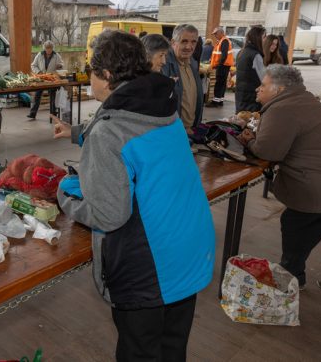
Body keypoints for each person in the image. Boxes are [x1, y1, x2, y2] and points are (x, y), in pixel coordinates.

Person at [53, 30, 214, 362]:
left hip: (151, 267)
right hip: (189, 248)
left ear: (106, 75)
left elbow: (109, 214)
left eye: (91, 71)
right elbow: (137, 149)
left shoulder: (109, 131)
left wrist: (65, 194)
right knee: (172, 349)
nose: (89, 79)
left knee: (140, 352)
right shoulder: (163, 107)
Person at [237, 65, 321, 291]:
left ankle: (292, 279)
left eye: (263, 85)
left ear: (279, 89)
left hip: (315, 188)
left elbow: (268, 151)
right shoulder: (306, 101)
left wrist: (249, 140)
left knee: (295, 226)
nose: (258, 89)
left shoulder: (282, 109)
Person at [161, 24, 204, 133]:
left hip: (191, 130)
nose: (189, 47)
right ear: (173, 42)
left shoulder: (192, 63)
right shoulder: (163, 65)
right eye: (184, 41)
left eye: (193, 42)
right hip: (173, 132)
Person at [27, 40, 64, 119]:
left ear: (52, 48)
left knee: (53, 96)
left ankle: (53, 114)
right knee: (37, 95)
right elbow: (33, 65)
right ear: (44, 48)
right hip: (41, 78)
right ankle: (32, 113)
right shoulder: (39, 55)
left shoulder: (56, 55)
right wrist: (39, 72)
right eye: (47, 48)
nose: (49, 50)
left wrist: (60, 66)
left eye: (50, 48)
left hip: (51, 79)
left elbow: (61, 64)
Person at [235, 25, 266, 112]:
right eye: (264, 37)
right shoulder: (255, 55)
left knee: (242, 118)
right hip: (252, 99)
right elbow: (264, 79)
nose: (265, 40)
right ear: (257, 38)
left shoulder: (241, 52)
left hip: (241, 97)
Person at [208, 27, 235, 107]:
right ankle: (220, 101)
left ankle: (215, 102)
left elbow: (224, 55)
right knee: (222, 84)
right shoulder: (222, 41)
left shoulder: (224, 41)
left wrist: (219, 65)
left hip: (222, 66)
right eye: (214, 34)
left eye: (216, 34)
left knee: (219, 84)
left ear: (221, 33)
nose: (215, 35)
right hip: (224, 65)